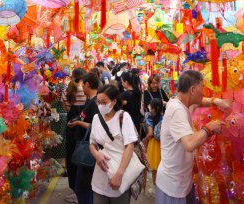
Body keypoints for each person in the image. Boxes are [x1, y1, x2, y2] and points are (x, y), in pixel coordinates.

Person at [155, 70, 232, 204]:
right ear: (192, 89)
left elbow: (200, 101)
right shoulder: (177, 110)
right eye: (202, 87)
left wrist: (217, 101)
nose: (203, 91)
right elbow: (189, 144)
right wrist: (209, 128)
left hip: (182, 180)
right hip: (173, 185)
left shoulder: (181, 102)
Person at [89, 85, 138, 204]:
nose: (100, 106)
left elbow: (129, 146)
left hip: (119, 177)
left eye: (104, 102)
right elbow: (92, 143)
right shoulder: (96, 118)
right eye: (98, 102)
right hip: (99, 179)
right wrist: (96, 154)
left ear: (114, 101)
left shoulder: (123, 117)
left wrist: (120, 174)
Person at [67, 72, 99, 204]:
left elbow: (95, 125)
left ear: (87, 84)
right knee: (83, 186)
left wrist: (78, 123)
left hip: (89, 149)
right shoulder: (90, 101)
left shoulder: (95, 103)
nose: (81, 87)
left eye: (83, 84)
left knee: (83, 187)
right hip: (87, 147)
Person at [61, 68, 87, 204]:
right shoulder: (86, 93)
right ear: (83, 79)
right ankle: (82, 190)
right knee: (84, 158)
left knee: (71, 159)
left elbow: (66, 109)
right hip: (84, 130)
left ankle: (74, 190)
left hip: (71, 129)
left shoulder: (66, 93)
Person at [143, 98, 163, 189]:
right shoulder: (163, 117)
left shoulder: (150, 118)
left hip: (154, 144)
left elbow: (150, 133)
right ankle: (160, 186)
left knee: (154, 168)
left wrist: (145, 139)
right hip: (162, 144)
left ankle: (156, 187)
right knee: (161, 166)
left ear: (153, 109)